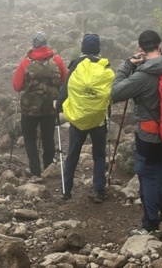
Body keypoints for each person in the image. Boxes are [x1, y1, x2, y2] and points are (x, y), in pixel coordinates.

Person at [110, 30, 162, 239]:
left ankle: (150, 225)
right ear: (161, 45)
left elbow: (115, 92)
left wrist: (128, 65)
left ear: (140, 49)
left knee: (146, 173)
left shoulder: (143, 76)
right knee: (160, 165)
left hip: (149, 134)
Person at [57, 34, 113, 203]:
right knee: (99, 155)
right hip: (98, 119)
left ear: (82, 48)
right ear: (98, 49)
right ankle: (98, 191)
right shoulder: (104, 67)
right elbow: (108, 93)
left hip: (78, 119)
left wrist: (59, 106)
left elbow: (65, 90)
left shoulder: (75, 66)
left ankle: (66, 191)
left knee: (72, 154)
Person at [12, 31, 68, 177]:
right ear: (46, 44)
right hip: (51, 106)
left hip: (29, 108)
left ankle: (35, 169)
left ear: (34, 46)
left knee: (30, 138)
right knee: (48, 136)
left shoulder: (26, 62)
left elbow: (17, 86)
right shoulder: (57, 60)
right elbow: (65, 80)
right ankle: (49, 166)